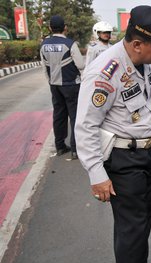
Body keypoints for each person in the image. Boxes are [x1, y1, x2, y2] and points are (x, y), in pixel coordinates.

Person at [75, 5, 151, 263]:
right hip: (124, 161)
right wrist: (96, 173)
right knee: (132, 231)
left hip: (148, 156)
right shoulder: (104, 72)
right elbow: (86, 126)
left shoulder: (142, 63)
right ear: (136, 44)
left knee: (140, 226)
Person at [40, 15, 85, 159]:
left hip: (55, 85)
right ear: (65, 27)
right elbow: (81, 65)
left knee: (59, 115)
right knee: (75, 116)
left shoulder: (43, 45)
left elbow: (44, 67)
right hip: (71, 85)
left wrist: (51, 81)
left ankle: (60, 146)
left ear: (49, 28)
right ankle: (75, 149)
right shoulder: (70, 44)